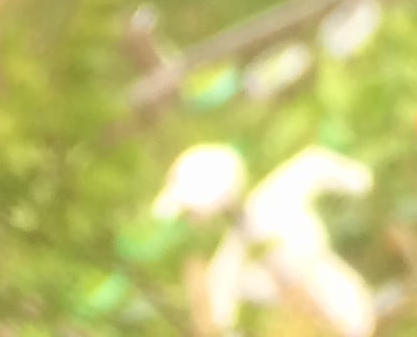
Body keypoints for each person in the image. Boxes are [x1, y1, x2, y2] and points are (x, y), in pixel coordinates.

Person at [151, 142, 378, 337]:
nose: (191, 219)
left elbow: (316, 164)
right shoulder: (229, 260)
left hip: (348, 308)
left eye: (190, 210)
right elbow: (221, 316)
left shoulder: (273, 202)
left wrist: (356, 180)